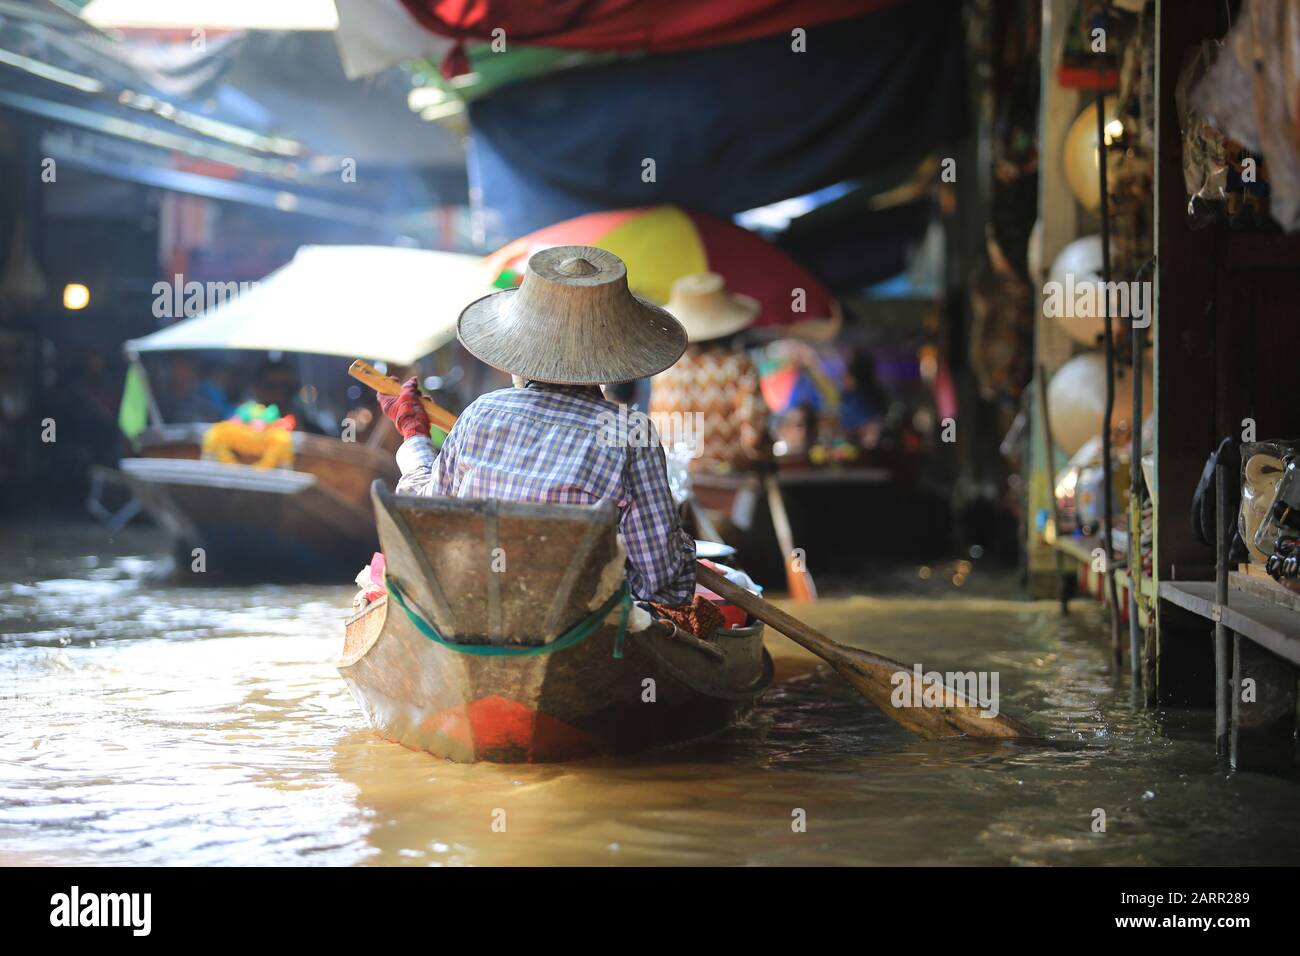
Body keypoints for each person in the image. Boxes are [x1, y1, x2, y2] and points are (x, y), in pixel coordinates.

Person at [381, 246, 696, 606]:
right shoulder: (630, 432)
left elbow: (427, 516)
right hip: (576, 615)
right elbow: (658, 575)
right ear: (616, 361)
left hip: (473, 601)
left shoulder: (482, 412)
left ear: (520, 353)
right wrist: (683, 551)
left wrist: (414, 437)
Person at [647, 272, 769, 471]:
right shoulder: (738, 366)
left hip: (673, 475)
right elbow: (754, 435)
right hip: (727, 479)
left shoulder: (663, 368)